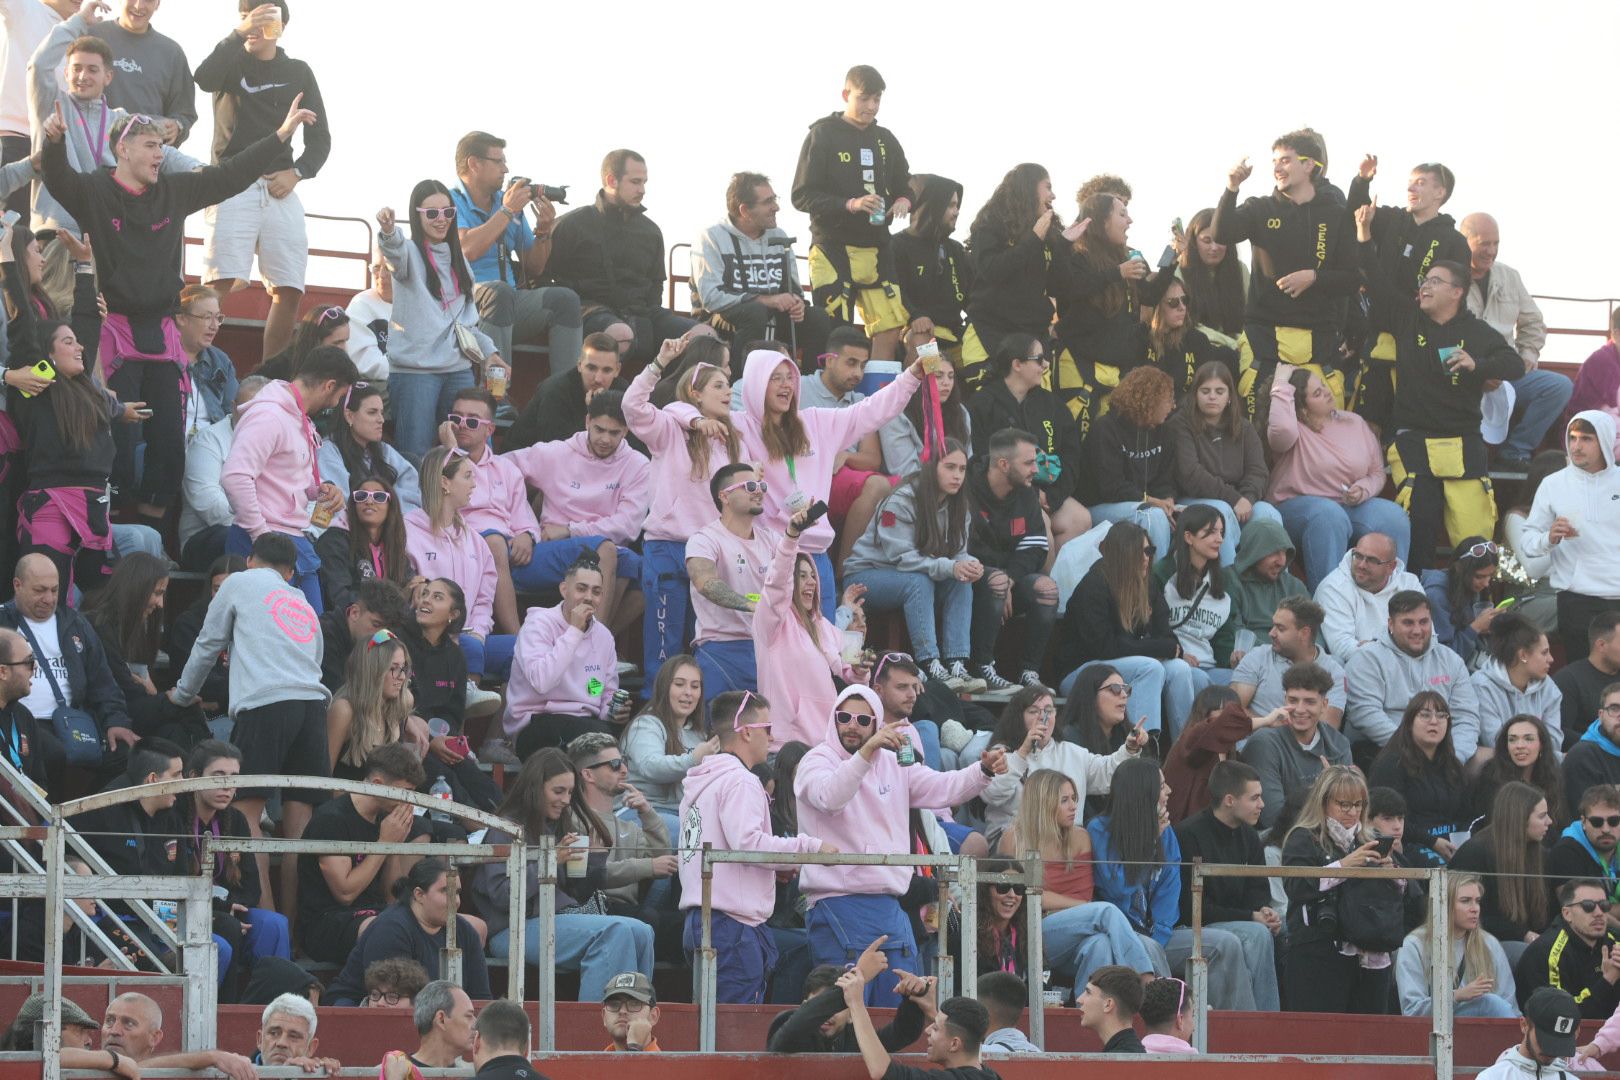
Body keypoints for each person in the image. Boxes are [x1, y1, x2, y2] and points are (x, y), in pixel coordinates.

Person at [38, 87, 315, 530]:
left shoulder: (174, 191)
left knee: (170, 448)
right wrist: (52, 141)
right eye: (151, 146)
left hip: (162, 333)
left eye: (163, 148)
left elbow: (231, 175)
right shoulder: (93, 190)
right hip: (115, 333)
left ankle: (152, 535)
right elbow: (58, 179)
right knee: (120, 446)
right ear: (122, 149)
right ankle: (110, 534)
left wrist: (281, 135)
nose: (159, 156)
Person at [795, 684, 1005, 1006]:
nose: (853, 725)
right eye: (845, 717)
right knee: (847, 1014)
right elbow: (830, 797)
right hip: (836, 899)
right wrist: (867, 754)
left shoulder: (894, 764)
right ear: (833, 719)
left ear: (877, 725)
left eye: (864, 720)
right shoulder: (816, 760)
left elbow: (942, 788)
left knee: (901, 1007)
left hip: (890, 905)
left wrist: (983, 770)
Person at [1354, 216, 1521, 574]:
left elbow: (1515, 364)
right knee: (1420, 528)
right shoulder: (1407, 318)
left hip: (1464, 442)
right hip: (1415, 441)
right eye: (1424, 280)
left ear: (1457, 291)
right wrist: (1365, 236)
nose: (1425, 286)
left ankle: (1475, 611)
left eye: (1435, 281)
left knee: (1477, 548)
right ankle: (1413, 605)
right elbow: (1378, 281)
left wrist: (1479, 365)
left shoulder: (1477, 332)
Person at [168, 531, 327, 903]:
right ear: (290, 572)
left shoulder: (239, 581)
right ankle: (293, 933)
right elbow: (316, 656)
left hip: (267, 704)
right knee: (299, 830)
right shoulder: (301, 599)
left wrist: (183, 694)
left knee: (245, 815)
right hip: (313, 706)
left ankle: (266, 924)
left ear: (251, 560)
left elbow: (208, 643)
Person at [733, 345, 924, 619]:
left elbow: (871, 411)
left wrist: (911, 377)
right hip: (770, 556)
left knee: (822, 648)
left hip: (816, 555)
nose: (786, 385)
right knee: (775, 644)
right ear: (755, 383)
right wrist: (697, 422)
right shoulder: (739, 427)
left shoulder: (816, 422)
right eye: (776, 378)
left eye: (790, 377)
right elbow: (683, 418)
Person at [677, 690, 831, 1004]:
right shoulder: (741, 780)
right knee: (733, 1028)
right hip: (732, 925)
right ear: (746, 732)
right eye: (767, 729)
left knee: (710, 1025)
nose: (772, 739)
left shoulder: (699, 783)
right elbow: (747, 844)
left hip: (703, 918)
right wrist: (809, 848)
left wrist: (779, 867)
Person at [194, 0, 329, 356]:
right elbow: (203, 77)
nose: (254, 25)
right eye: (246, 17)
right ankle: (186, 363)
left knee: (289, 287)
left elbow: (321, 138)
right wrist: (239, 33)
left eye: (264, 19)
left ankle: (269, 377)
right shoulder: (229, 62)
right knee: (218, 280)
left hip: (278, 186)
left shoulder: (298, 70)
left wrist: (298, 173)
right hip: (230, 182)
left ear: (281, 26)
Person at [472, 749, 655, 1004]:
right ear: (535, 788)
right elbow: (504, 896)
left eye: (570, 792)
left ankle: (635, 1018)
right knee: (617, 931)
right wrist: (551, 861)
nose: (566, 799)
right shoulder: (505, 829)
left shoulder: (556, 827)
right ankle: (596, 1029)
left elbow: (579, 893)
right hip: (512, 929)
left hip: (557, 918)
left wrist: (594, 857)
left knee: (642, 932)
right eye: (558, 791)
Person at [3, 228, 124, 595]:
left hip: (93, 505)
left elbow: (86, 322)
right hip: (52, 503)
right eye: (67, 342)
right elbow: (23, 323)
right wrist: (8, 261)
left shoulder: (83, 384)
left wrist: (84, 264)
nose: (78, 348)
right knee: (44, 595)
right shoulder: (40, 382)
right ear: (49, 355)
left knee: (103, 595)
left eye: (78, 343)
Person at [1089, 758, 1263, 1011]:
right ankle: (1177, 1013)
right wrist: (1149, 842)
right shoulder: (1100, 830)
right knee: (1147, 946)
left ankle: (1240, 1028)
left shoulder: (1166, 832)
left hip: (1160, 935)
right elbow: (1117, 888)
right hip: (1120, 935)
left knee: (1226, 943)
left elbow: (1170, 894)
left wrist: (1159, 935)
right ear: (1143, 792)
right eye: (1161, 786)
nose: (1169, 791)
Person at [1212, 130, 1360, 417]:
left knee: (1322, 428)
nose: (1277, 168)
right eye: (1274, 162)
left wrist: (1314, 277)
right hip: (1265, 337)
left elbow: (1353, 279)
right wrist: (1232, 188)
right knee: (1263, 429)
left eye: (1286, 160)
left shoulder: (1337, 213)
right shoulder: (1260, 208)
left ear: (1310, 166)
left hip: (1320, 339)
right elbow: (1221, 232)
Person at [627, 333, 743, 690]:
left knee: (702, 641)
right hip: (668, 548)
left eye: (729, 384)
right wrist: (659, 363)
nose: (728, 391)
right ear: (695, 394)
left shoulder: (730, 440)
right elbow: (634, 406)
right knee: (664, 644)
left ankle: (695, 717)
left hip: (709, 552)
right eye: (719, 385)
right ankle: (654, 712)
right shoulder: (668, 430)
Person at [27, 7, 201, 237]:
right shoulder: (50, 105)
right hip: (57, 232)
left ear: (108, 76)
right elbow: (38, 66)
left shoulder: (119, 120)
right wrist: (78, 20)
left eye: (92, 70)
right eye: (77, 69)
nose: (83, 76)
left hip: (106, 235)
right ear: (66, 72)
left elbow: (161, 151)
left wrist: (202, 171)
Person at [374, 183, 505, 461]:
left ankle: (482, 503)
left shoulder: (460, 261)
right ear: (417, 216)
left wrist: (491, 355)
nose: (441, 218)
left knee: (473, 450)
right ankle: (418, 506)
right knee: (416, 456)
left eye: (447, 211)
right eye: (431, 213)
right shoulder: (409, 251)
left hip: (458, 369)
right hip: (415, 373)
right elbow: (395, 254)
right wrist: (388, 232)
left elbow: (465, 326)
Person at [222, 346, 359, 612]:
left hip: (291, 539)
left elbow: (286, 478)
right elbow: (235, 476)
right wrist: (261, 536)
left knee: (306, 635)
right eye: (339, 396)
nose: (335, 405)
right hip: (264, 542)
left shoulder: (295, 415)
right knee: (266, 639)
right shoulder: (270, 415)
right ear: (329, 386)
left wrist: (318, 491)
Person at [994, 768, 1155, 993]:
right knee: (1105, 912)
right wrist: (1082, 908)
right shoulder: (1014, 839)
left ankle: (1085, 1014)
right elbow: (1024, 895)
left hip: (1076, 931)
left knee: (1100, 944)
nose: (1073, 806)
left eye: (1074, 799)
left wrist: (1061, 902)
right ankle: (1146, 979)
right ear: (1044, 804)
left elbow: (1082, 895)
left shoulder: (1080, 838)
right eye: (1064, 800)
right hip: (1028, 931)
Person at [791, 65, 911, 364]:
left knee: (890, 326)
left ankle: (876, 396)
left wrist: (905, 200)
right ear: (846, 94)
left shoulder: (885, 139)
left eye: (877, 99)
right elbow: (801, 195)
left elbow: (905, 183)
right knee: (836, 330)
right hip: (833, 245)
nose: (871, 106)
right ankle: (834, 400)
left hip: (878, 245)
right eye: (864, 98)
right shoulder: (822, 134)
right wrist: (850, 204)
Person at [501, 389, 647, 634]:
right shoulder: (556, 453)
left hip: (599, 547)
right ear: (588, 421)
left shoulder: (638, 465)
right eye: (599, 429)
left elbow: (627, 527)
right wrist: (523, 527)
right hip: (548, 551)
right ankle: (592, 648)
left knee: (651, 573)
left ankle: (598, 642)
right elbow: (498, 469)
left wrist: (570, 531)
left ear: (627, 430)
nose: (605, 439)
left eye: (614, 433)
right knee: (609, 552)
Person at [1343, 158, 1470, 433]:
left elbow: (1457, 302)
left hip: (1421, 345)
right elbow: (1356, 212)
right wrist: (1362, 181)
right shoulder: (1391, 219)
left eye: (1421, 182)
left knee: (1409, 428)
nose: (1411, 188)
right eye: (1410, 182)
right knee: (1368, 424)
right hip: (1380, 339)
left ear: (1441, 192)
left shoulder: (1455, 242)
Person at [844, 439, 982, 688]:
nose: (957, 476)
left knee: (961, 580)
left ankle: (957, 663)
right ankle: (929, 663)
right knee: (919, 581)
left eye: (962, 469)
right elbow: (903, 558)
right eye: (950, 467)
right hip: (867, 575)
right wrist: (950, 566)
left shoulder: (960, 505)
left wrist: (969, 564)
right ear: (931, 467)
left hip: (914, 575)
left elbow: (959, 553)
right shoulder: (902, 500)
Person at [544, 148, 694, 367]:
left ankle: (671, 398)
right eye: (635, 182)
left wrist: (648, 317)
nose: (642, 190)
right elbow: (542, 278)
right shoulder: (571, 225)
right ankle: (604, 397)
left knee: (704, 337)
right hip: (588, 310)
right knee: (620, 334)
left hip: (642, 313)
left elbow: (656, 284)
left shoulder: (651, 231)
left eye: (644, 182)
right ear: (611, 180)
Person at [449, 130, 582, 369]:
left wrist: (543, 231)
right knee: (499, 293)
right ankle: (497, 398)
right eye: (498, 161)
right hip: (461, 304)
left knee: (565, 299)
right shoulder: (447, 201)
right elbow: (467, 249)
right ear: (474, 164)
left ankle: (565, 395)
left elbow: (535, 267)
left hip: (507, 303)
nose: (506, 169)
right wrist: (507, 211)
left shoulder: (507, 202)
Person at [1267, 370, 1411, 591]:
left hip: (1348, 505)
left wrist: (1363, 489)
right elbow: (1280, 429)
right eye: (1317, 393)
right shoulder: (1293, 428)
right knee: (1329, 515)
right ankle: (1329, 606)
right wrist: (1281, 383)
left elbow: (1377, 472)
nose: (1326, 392)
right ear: (1302, 408)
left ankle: (1393, 599)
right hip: (1297, 507)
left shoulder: (1354, 421)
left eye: (1324, 385)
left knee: (1394, 516)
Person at [1280, 765, 1406, 1014]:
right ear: (1323, 802)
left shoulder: (1373, 838)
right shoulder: (1302, 838)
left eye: (1358, 805)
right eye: (1344, 804)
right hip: (1318, 950)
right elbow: (1295, 887)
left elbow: (1407, 894)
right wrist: (1345, 866)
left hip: (1372, 949)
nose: (1352, 812)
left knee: (1369, 1040)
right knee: (1321, 1038)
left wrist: (1392, 873)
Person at [1057, 521, 1196, 738]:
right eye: (1139, 552)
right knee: (1151, 667)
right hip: (1081, 672)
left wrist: (1168, 647)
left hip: (1122, 666)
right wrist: (1159, 647)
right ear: (1122, 554)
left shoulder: (1147, 584)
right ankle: (1141, 749)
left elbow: (1167, 636)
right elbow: (1105, 647)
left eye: (1149, 551)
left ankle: (1185, 751)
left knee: (1180, 669)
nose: (1146, 558)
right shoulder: (1094, 585)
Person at [1051, 191, 1171, 440]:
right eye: (1122, 214)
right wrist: (1116, 273)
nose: (1130, 221)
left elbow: (1148, 295)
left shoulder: (1127, 256)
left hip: (1117, 370)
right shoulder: (1079, 255)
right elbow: (1069, 288)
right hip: (1080, 365)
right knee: (1078, 442)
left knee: (1113, 443)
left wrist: (1172, 256)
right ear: (1102, 220)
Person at [295, 742, 428, 964]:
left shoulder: (385, 818)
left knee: (470, 926)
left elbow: (390, 895)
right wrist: (384, 843)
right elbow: (345, 894)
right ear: (377, 784)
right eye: (405, 792)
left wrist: (393, 846)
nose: (408, 801)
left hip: (375, 912)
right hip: (328, 922)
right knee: (389, 929)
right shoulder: (332, 820)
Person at [1460, 212, 1572, 471]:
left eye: (1496, 243)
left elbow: (1533, 322)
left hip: (1507, 371)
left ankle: (1515, 451)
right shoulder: (1449, 278)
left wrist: (1527, 356)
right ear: (1464, 241)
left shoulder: (1509, 276)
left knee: (1559, 386)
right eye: (1484, 243)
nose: (1491, 251)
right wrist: (1477, 375)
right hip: (1465, 376)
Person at [755, 509, 872, 750]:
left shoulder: (823, 626)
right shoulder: (772, 622)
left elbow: (852, 670)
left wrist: (861, 667)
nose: (811, 582)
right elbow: (777, 583)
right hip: (785, 746)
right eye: (801, 576)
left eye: (813, 576)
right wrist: (791, 536)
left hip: (826, 744)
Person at [3, 553, 133, 768]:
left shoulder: (75, 624)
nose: (49, 598)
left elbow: (103, 683)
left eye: (54, 590)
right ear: (18, 585)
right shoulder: (3, 623)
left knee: (125, 752)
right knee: (54, 754)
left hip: (72, 722)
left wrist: (115, 722)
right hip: (21, 722)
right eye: (39, 590)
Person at [1173, 760, 1283, 1008]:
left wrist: (1263, 911)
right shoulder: (1188, 835)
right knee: (1257, 934)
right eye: (1254, 798)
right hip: (1195, 925)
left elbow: (1258, 889)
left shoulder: (1249, 836)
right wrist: (1251, 917)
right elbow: (1189, 907)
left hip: (1238, 922)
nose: (1262, 805)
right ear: (1230, 800)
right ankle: (1261, 1022)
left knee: (1276, 930)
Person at [958, 163, 1077, 392]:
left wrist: (1063, 245)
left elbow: (1059, 287)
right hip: (990, 332)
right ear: (1029, 188)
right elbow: (992, 270)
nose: (1053, 195)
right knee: (996, 410)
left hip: (1033, 336)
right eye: (1048, 187)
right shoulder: (992, 223)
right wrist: (1032, 240)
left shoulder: (1047, 229)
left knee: (1037, 414)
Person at [964, 333, 1089, 552]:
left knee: (1080, 519)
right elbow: (980, 460)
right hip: (1004, 496)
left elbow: (1071, 456)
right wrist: (1031, 495)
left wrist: (1053, 495)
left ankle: (1057, 582)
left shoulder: (1052, 404)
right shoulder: (982, 404)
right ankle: (1039, 585)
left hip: (1047, 493)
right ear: (1017, 364)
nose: (1046, 364)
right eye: (1039, 359)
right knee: (1042, 527)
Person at [178, 740, 293, 977]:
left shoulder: (236, 819)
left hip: (232, 907)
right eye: (218, 775)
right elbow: (176, 881)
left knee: (274, 924)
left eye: (234, 776)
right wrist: (223, 910)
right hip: (188, 912)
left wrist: (231, 907)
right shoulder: (174, 815)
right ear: (193, 776)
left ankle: (269, 1002)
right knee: (226, 934)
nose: (227, 786)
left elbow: (252, 887)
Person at [1516, 412, 1620, 658]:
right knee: (1582, 675)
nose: (1576, 446)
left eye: (1586, 439)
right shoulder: (1553, 484)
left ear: (1605, 440)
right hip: (1575, 600)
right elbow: (1528, 542)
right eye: (1572, 438)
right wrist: (1548, 538)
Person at [691, 170, 826, 358]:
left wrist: (797, 304)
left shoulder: (779, 236)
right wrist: (764, 300)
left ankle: (807, 382)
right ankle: (740, 383)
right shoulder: (712, 237)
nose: (776, 207)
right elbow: (711, 298)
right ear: (744, 210)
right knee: (755, 312)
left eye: (774, 199)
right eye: (768, 202)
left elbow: (793, 289)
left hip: (770, 317)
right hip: (721, 321)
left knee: (819, 317)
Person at [323, 857, 491, 1006]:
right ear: (418, 894)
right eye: (445, 891)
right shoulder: (391, 930)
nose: (456, 901)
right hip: (361, 1011)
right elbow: (393, 1000)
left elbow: (480, 997)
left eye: (457, 893)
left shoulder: (465, 932)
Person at [503, 552, 622, 760]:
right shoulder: (538, 625)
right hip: (536, 721)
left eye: (596, 592)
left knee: (610, 742)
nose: (588, 597)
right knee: (590, 745)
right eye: (581, 588)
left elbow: (600, 689)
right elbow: (542, 681)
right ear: (564, 590)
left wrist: (612, 711)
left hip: (586, 721)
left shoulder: (604, 637)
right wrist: (574, 632)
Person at [795, 328, 897, 570]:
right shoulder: (798, 389)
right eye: (851, 363)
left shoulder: (861, 401)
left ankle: (845, 570)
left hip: (842, 476)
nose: (858, 373)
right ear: (830, 360)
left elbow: (872, 459)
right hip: (803, 473)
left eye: (863, 365)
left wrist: (846, 455)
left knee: (886, 484)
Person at [965, 427, 1058, 691]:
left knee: (1047, 589)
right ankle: (982, 667)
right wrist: (1001, 575)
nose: (1035, 470)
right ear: (1004, 464)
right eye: (1029, 463)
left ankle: (1030, 672)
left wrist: (1011, 578)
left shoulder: (1027, 491)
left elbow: (1036, 546)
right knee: (994, 582)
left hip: (1009, 576)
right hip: (969, 574)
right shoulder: (968, 486)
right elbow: (967, 545)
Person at [983, 684, 1144, 836]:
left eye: (1048, 710)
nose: (1042, 718)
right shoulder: (1001, 752)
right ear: (1019, 717)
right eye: (1033, 711)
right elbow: (992, 794)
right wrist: (1023, 752)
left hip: (1066, 844)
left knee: (1083, 836)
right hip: (1019, 844)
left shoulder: (1072, 752)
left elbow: (1107, 774)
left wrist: (1129, 749)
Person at [405, 445, 505, 682]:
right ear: (445, 483)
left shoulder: (475, 540)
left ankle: (509, 719)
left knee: (522, 650)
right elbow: (409, 592)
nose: (474, 484)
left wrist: (479, 632)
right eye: (467, 476)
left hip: (471, 636)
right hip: (427, 636)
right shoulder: (407, 532)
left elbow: (484, 597)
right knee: (468, 650)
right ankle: (464, 701)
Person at [1345, 591, 1482, 763]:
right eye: (1408, 623)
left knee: (1488, 761)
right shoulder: (1366, 659)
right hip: (1386, 750)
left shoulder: (1451, 660)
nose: (1417, 630)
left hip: (1444, 752)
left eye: (1424, 622)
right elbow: (1366, 715)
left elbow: (1466, 716)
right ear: (1391, 624)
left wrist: (1456, 756)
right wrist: (1417, 752)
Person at [83, 554, 205, 747]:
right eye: (157, 593)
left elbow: (143, 688)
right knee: (182, 708)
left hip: (134, 706)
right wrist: (165, 698)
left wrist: (157, 695)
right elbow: (125, 690)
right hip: (109, 714)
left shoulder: (139, 625)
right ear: (136, 588)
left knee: (181, 719)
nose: (160, 604)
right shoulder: (99, 626)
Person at [685, 462, 778, 701]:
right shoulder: (704, 539)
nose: (758, 490)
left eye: (761, 485)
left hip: (766, 648)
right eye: (749, 486)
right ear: (724, 496)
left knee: (764, 731)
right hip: (721, 646)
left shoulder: (772, 540)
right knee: (717, 730)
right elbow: (706, 583)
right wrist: (751, 605)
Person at [1171, 362, 1280, 566]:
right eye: (1205, 391)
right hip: (1193, 498)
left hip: (1238, 500)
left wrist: (1248, 498)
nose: (1212, 396)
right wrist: (1234, 498)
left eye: (1219, 391)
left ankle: (1277, 588)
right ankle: (1230, 583)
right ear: (1195, 394)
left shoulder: (1244, 427)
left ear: (1230, 396)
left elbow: (1258, 471)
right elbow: (1190, 473)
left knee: (1268, 512)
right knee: (1221, 511)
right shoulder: (1180, 424)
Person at [568, 731, 674, 916]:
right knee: (650, 918)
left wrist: (647, 812)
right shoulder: (572, 820)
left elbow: (662, 860)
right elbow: (589, 875)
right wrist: (647, 866)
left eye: (624, 761)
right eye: (615, 765)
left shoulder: (629, 827)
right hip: (592, 910)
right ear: (588, 775)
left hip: (628, 910)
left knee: (677, 923)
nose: (625, 770)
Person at [835, 967, 997, 1080]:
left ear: (954, 1044)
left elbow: (882, 1071)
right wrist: (930, 1009)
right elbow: (960, 1029)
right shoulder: (987, 1074)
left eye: (935, 1027)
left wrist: (856, 1003)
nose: (927, 1030)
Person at [1451, 781, 1554, 958]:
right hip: (1477, 943)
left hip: (1528, 940)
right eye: (1542, 816)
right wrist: (1522, 934)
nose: (1549, 822)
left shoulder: (1541, 854)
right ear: (1519, 818)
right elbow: (1470, 913)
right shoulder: (1474, 853)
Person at [1084, 365, 1179, 557]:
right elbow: (1111, 487)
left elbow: (1165, 479)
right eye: (1167, 400)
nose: (1173, 406)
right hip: (1102, 506)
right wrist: (1152, 501)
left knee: (1196, 516)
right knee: (1151, 516)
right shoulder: (1105, 429)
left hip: (1145, 504)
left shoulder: (1166, 432)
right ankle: (1156, 582)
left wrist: (1168, 500)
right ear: (1148, 401)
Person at [1396, 873, 1518, 1018]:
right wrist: (1456, 996)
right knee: (1489, 1002)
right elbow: (1412, 1011)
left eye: (1477, 901)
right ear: (1443, 904)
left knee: (1492, 1003)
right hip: (1430, 1032)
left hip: (1486, 1033)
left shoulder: (1489, 943)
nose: (1475, 908)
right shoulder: (1414, 945)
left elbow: (1510, 1009)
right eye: (1465, 901)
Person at [1367, 692, 1470, 864]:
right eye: (1425, 715)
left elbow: (1466, 813)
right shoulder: (1391, 764)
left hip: (1452, 843)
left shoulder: (1453, 765)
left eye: (1441, 715)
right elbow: (1387, 818)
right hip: (1410, 844)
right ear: (1409, 723)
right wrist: (1432, 841)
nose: (1434, 721)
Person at [1150, 503, 1240, 698]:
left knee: (1245, 682)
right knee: (1199, 681)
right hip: (1174, 664)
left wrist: (1231, 660)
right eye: (1211, 532)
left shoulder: (1224, 581)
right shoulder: (1161, 574)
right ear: (1188, 536)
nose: (1220, 539)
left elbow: (1224, 637)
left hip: (1210, 666)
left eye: (1221, 532)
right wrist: (1178, 653)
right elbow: (1153, 628)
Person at [766, 948, 930, 1053]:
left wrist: (911, 998)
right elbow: (797, 1026)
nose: (827, 1015)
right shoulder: (787, 1026)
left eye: (837, 1008)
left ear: (852, 1015)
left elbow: (903, 1033)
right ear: (803, 1007)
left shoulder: (857, 1038)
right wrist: (858, 978)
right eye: (819, 1003)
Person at [180, 377, 265, 572]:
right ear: (233, 406)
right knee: (236, 536)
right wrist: (258, 526)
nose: (252, 416)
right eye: (245, 409)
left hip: (263, 531)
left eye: (259, 410)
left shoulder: (277, 440)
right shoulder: (208, 441)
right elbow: (208, 503)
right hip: (206, 537)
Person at [621, 654, 714, 830]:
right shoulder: (646, 724)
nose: (688, 692)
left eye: (695, 686)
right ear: (664, 687)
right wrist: (694, 759)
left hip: (683, 814)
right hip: (639, 813)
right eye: (679, 684)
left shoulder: (700, 734)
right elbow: (650, 766)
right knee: (696, 837)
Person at [86, 0, 195, 146]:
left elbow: (184, 112)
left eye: (148, 0)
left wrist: (177, 126)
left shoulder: (171, 52)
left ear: (158, 4)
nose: (138, 6)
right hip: (93, 151)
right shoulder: (92, 36)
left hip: (145, 159)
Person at [1164, 689, 1277, 824]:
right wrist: (1267, 720)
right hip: (1183, 831)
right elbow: (1220, 726)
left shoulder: (1233, 757)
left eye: (1236, 712)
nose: (1231, 718)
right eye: (1223, 712)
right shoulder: (1192, 739)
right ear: (1205, 714)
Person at [326, 625, 421, 784]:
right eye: (393, 668)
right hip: (344, 805)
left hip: (384, 805)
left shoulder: (402, 703)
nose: (402, 677)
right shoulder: (344, 710)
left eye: (403, 668)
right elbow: (321, 781)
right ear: (372, 670)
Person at [893, 174, 971, 364]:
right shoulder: (897, 245)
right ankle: (924, 393)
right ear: (933, 206)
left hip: (956, 333)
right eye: (951, 205)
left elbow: (974, 296)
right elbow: (894, 291)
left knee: (991, 347)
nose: (957, 211)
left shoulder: (956, 249)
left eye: (958, 206)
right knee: (924, 343)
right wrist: (915, 315)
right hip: (915, 331)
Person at [1515, 878, 1620, 1018]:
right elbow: (1564, 1016)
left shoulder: (1614, 944)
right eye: (1588, 906)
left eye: (1604, 905)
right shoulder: (1547, 951)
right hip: (1555, 1034)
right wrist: (1608, 979)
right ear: (1567, 913)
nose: (1599, 912)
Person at [1232, 596, 1346, 724]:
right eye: (1273, 625)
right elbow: (1231, 711)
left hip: (1305, 743)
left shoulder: (1334, 673)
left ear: (1304, 633)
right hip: (1256, 738)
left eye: (1280, 628)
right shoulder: (1258, 656)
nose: (1271, 633)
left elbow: (1328, 728)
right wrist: (1268, 724)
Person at [506, 332, 628, 450]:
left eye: (607, 370)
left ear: (617, 370)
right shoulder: (555, 392)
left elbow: (637, 448)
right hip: (523, 464)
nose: (598, 378)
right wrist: (593, 411)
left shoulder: (624, 393)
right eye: (591, 368)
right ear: (579, 365)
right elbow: (557, 451)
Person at [99, 992, 257, 1080]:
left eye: (129, 1023)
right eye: (109, 1021)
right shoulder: (82, 1065)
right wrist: (211, 1057)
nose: (114, 1030)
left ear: (154, 1037)